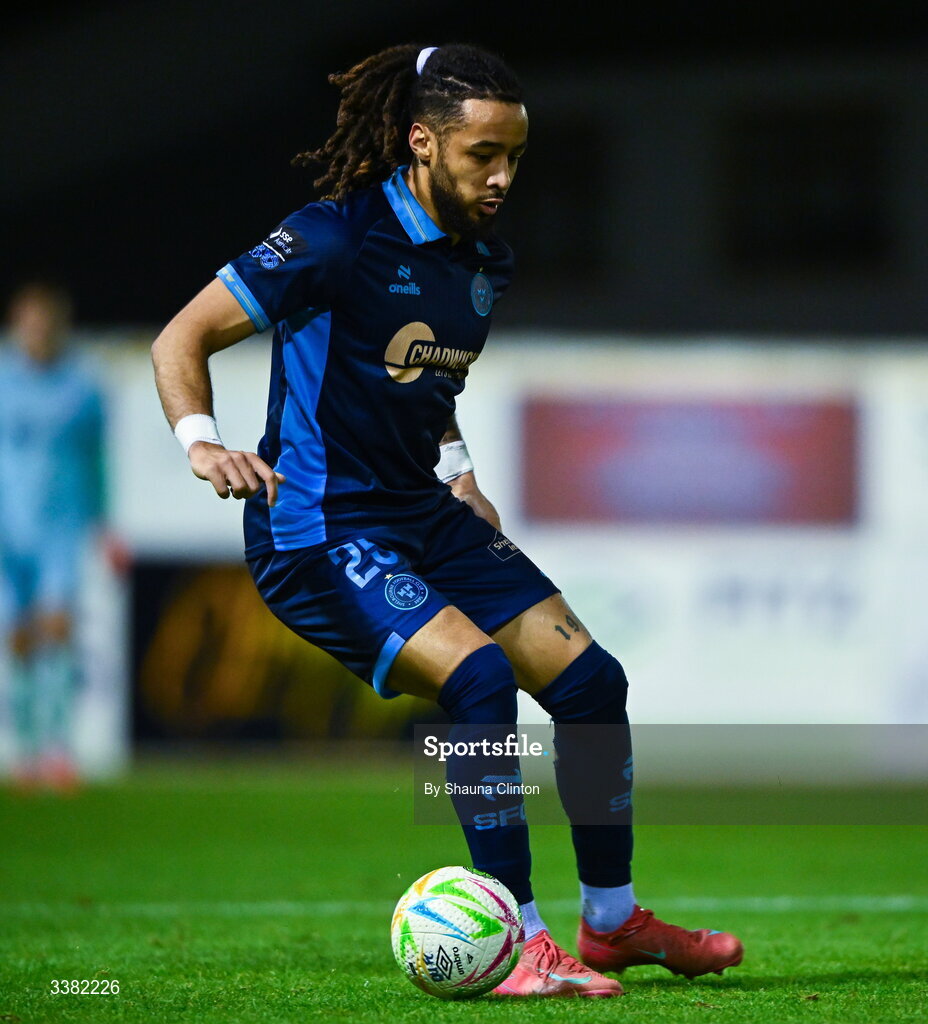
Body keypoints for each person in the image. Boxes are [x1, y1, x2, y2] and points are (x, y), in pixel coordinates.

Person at [151, 42, 743, 997]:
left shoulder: (481, 261)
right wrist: (200, 440)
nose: (503, 176)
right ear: (422, 144)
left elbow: (424, 376)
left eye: (516, 155)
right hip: (318, 528)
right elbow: (182, 335)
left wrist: (461, 470)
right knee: (477, 678)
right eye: (483, 157)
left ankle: (611, 921)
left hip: (424, 512)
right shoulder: (333, 239)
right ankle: (519, 937)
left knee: (593, 682)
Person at [0, 281, 117, 791]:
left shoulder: (83, 386)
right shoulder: (3, 378)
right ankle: (24, 749)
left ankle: (58, 747)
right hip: (7, 526)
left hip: (61, 528)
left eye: (46, 323)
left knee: (57, 630)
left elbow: (98, 461)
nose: (39, 332)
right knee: (18, 638)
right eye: (30, 323)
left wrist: (104, 523)